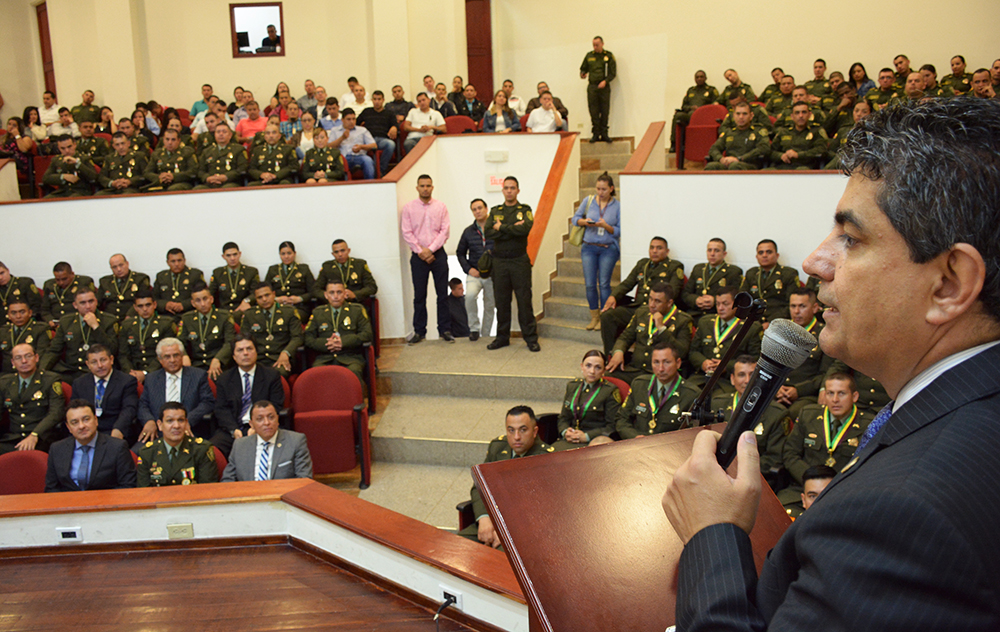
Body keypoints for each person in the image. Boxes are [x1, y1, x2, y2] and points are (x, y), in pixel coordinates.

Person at [665, 98, 1000, 630]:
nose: (816, 260)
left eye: (851, 237)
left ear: (949, 283)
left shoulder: (903, 515)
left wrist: (713, 537)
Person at [458, 406, 554, 547]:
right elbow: (480, 486)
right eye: (511, 430)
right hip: (492, 521)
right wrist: (484, 518)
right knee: (455, 548)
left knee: (499, 563)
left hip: (523, 532)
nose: (516, 437)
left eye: (523, 430)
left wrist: (506, 532)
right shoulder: (498, 448)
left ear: (534, 432)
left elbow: (540, 509)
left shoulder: (547, 459)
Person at [778, 372, 871, 516]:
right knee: (779, 518)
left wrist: (832, 485)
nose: (835, 400)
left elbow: (868, 468)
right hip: (803, 489)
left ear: (855, 396)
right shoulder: (808, 415)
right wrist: (811, 481)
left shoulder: (868, 425)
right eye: (830, 393)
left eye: (841, 393)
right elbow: (790, 454)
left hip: (844, 493)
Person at [712, 354, 791, 492]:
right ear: (732, 379)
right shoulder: (717, 404)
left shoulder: (777, 413)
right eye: (741, 375)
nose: (747, 380)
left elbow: (774, 459)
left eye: (752, 375)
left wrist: (736, 470)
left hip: (754, 480)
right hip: (715, 473)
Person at [599, 236, 685, 355]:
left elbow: (673, 293)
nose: (654, 251)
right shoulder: (642, 264)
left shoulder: (674, 267)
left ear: (667, 251)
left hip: (657, 310)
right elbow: (627, 283)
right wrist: (613, 296)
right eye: (652, 248)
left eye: (659, 248)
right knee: (607, 316)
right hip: (637, 308)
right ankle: (611, 354)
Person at [485, 176, 539, 351]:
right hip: (499, 261)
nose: (509, 191)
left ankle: (530, 338)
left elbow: (525, 230)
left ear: (518, 190)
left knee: (524, 301)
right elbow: (488, 233)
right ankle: (502, 338)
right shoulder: (495, 211)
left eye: (512, 188)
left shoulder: (525, 210)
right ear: (502, 190)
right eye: (506, 188)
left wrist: (501, 228)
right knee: (501, 302)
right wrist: (512, 229)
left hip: (519, 261)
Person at [212, 334, 285, 455]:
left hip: (264, 425)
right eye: (240, 350)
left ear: (256, 352)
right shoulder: (224, 379)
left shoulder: (271, 376)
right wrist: (233, 430)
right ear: (234, 356)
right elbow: (221, 409)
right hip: (235, 427)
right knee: (214, 449)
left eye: (249, 349)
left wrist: (257, 426)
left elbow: (276, 405)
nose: (245, 353)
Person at [606, 282, 694, 383]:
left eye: (657, 301)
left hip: (659, 374)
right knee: (605, 379)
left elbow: (682, 352)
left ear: (669, 303)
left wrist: (662, 329)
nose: (652, 305)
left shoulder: (683, 320)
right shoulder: (642, 313)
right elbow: (625, 338)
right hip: (635, 369)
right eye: (650, 299)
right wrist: (618, 352)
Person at [400, 175, 452, 344]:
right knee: (419, 295)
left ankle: (444, 330)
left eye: (428, 185)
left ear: (432, 187)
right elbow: (407, 232)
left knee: (442, 294)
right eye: (422, 186)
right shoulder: (409, 208)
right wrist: (421, 251)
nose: (425, 188)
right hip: (418, 256)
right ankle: (419, 332)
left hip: (438, 254)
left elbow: (445, 231)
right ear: (417, 188)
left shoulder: (441, 206)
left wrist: (430, 250)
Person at [44, 399, 136, 492]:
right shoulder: (57, 449)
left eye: (86, 419)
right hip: (68, 504)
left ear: (96, 420)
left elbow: (128, 486)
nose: (81, 426)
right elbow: (51, 489)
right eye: (75, 422)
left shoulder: (117, 447)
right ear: (68, 428)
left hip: (105, 503)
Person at [616, 342, 699, 439]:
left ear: (678, 363)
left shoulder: (691, 394)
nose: (661, 368)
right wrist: (634, 436)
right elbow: (621, 419)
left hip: (668, 449)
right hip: (637, 446)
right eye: (656, 362)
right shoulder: (639, 384)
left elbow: (692, 433)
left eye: (666, 362)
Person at [687, 286, 763, 390]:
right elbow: (693, 352)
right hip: (701, 378)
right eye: (718, 304)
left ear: (737, 304)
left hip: (728, 381)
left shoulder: (750, 327)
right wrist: (703, 363)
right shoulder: (705, 322)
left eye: (725, 304)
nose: (720, 308)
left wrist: (726, 366)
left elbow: (755, 359)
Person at [137, 338, 215, 439]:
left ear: (182, 356)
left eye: (176, 355)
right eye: (167, 357)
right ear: (160, 360)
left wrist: (186, 421)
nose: (172, 360)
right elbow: (143, 404)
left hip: (190, 432)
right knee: (135, 453)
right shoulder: (151, 379)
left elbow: (208, 402)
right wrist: (149, 420)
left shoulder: (198, 376)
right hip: (158, 433)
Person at [774, 287, 831, 421]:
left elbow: (825, 375)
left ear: (815, 308)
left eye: (802, 306)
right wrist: (776, 388)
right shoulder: (781, 332)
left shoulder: (824, 335)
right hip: (777, 391)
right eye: (793, 306)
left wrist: (798, 390)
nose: (796, 311)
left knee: (794, 413)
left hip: (806, 394)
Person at [572, 172, 620, 329]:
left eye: (604, 189)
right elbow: (575, 219)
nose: (600, 192)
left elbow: (619, 230)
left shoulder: (617, 205)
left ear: (611, 189)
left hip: (608, 248)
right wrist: (585, 222)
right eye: (598, 189)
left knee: (604, 283)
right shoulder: (589, 201)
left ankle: (605, 317)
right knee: (590, 285)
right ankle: (594, 317)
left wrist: (605, 226)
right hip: (588, 247)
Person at [40, 288, 118, 383]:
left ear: (96, 302)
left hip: (98, 370)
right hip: (71, 371)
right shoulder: (66, 321)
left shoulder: (109, 320)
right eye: (83, 303)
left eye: (91, 301)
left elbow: (112, 350)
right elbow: (54, 350)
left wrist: (96, 327)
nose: (88, 306)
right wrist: (41, 371)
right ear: (75, 305)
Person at [304, 279, 373, 386]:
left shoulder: (357, 310)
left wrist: (343, 342)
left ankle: (356, 403)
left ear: (345, 294)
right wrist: (327, 344)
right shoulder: (318, 312)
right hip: (325, 358)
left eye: (339, 292)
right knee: (316, 373)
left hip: (350, 358)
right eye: (331, 293)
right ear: (326, 295)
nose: (335, 296)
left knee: (354, 372)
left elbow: (367, 334)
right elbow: (308, 338)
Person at [222, 401, 312, 481]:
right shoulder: (240, 445)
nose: (266, 423)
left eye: (271, 417)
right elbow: (227, 481)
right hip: (249, 496)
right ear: (251, 424)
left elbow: (304, 479)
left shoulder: (295, 441)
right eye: (259, 419)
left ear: (277, 419)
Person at [0, 343, 64, 454]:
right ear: (13, 362)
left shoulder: (50, 379)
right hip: (13, 438)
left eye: (28, 356)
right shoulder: (5, 382)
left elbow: (56, 412)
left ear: (37, 358)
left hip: (41, 438)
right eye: (18, 358)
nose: (24, 361)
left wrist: (35, 434)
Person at [137, 402, 218, 486]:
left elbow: (208, 490)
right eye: (170, 421)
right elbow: (143, 493)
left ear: (186, 423)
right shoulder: (147, 453)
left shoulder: (201, 450)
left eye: (181, 420)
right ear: (160, 425)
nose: (176, 426)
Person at [554, 350, 621, 450]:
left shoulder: (610, 391)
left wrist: (586, 436)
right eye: (588, 366)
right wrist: (565, 432)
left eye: (598, 367)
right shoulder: (572, 386)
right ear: (582, 366)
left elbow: (612, 426)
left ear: (603, 371)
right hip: (569, 439)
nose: (592, 371)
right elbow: (563, 417)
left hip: (593, 442)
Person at [70, 344, 139, 441]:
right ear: (88, 364)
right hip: (87, 431)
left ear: (111, 359)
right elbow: (74, 410)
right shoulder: (79, 383)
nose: (100, 365)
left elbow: (129, 409)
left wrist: (118, 429)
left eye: (103, 360)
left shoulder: (126, 381)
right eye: (94, 362)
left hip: (114, 430)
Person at [241, 282, 303, 378]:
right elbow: (244, 340)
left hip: (280, 357)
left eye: (267, 295)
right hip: (258, 359)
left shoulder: (288, 312)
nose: (264, 299)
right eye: (260, 297)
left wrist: (286, 352)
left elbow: (297, 337)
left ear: (274, 294)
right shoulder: (250, 315)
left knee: (276, 375)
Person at [177, 282, 236, 381]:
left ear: (211, 299)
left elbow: (230, 342)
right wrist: (184, 355)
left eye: (205, 299)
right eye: (198, 301)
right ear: (193, 303)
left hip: (219, 365)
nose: (203, 304)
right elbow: (180, 342)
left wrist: (218, 359)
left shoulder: (224, 316)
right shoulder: (187, 318)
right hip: (196, 365)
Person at [456, 198, 495, 342]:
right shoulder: (468, 232)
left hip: (492, 274)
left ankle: (486, 334)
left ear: (486, 209)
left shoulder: (495, 229)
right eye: (474, 209)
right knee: (470, 297)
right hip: (475, 273)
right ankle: (474, 328)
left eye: (480, 208)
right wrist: (468, 269)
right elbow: (460, 253)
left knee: (490, 305)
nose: (477, 211)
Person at [118, 289, 176, 382]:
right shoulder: (127, 325)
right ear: (135, 308)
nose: (144, 309)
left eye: (148, 305)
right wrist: (131, 373)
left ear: (155, 305)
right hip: (133, 374)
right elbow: (123, 354)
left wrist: (146, 373)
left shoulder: (166, 324)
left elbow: (165, 354)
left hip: (158, 372)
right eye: (140, 306)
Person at [740, 239, 801, 324]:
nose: (764, 255)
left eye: (769, 252)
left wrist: (771, 322)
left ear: (777, 255)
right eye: (761, 253)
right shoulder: (751, 273)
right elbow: (743, 300)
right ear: (756, 256)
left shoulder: (788, 274)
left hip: (779, 321)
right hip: (753, 321)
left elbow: (791, 304)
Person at [682, 238, 743, 319]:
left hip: (716, 315)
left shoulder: (733, 272)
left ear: (724, 254)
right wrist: (695, 300)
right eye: (709, 250)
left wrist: (714, 301)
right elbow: (685, 294)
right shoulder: (698, 269)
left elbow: (736, 298)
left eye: (717, 251)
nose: (712, 254)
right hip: (694, 314)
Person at [704, 102, 769, 171]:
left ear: (751, 116)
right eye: (738, 114)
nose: (741, 117)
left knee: (735, 166)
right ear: (734, 116)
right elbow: (713, 149)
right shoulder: (729, 132)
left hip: (749, 165)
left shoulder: (758, 131)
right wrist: (721, 159)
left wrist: (740, 159)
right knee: (711, 166)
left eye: (744, 114)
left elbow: (764, 148)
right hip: (729, 164)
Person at [313, 239, 378, 305]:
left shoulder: (360, 265)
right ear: (333, 254)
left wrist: (355, 294)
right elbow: (316, 289)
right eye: (336, 252)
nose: (340, 254)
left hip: (355, 305)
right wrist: (329, 296)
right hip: (333, 306)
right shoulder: (327, 267)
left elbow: (372, 287)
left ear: (348, 250)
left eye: (343, 250)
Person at [207, 242, 259, 322]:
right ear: (223, 256)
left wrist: (246, 300)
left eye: (235, 254)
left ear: (240, 254)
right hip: (223, 315)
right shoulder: (218, 273)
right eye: (228, 255)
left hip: (243, 312)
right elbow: (210, 294)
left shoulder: (251, 272)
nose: (232, 258)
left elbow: (256, 292)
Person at [670, 70, 720, 152]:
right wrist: (690, 107)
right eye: (697, 77)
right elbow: (684, 106)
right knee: (678, 116)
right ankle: (674, 143)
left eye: (701, 77)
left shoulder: (711, 90)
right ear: (694, 79)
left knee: (692, 114)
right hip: (690, 113)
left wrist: (701, 109)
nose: (699, 79)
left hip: (704, 116)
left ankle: (691, 143)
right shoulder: (691, 90)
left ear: (705, 78)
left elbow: (715, 105)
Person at [266, 241, 315, 322]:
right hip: (278, 306)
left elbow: (313, 291)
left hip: (299, 307)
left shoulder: (303, 269)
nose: (286, 256)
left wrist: (300, 298)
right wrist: (276, 299)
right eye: (283, 254)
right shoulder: (273, 270)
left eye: (289, 253)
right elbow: (265, 291)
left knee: (292, 317)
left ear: (294, 253)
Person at [770, 103, 827, 170]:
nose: (801, 116)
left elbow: (822, 150)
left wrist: (798, 155)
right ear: (792, 116)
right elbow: (770, 151)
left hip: (805, 167)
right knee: (766, 172)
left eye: (804, 112)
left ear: (809, 115)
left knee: (801, 171)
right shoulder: (784, 131)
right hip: (783, 166)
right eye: (797, 113)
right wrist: (780, 156)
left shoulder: (816, 130)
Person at [580, 36, 616, 142]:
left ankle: (604, 133)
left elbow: (613, 73)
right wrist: (582, 74)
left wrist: (605, 81)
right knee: (593, 111)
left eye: (597, 45)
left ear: (602, 44)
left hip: (604, 87)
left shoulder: (608, 56)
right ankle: (595, 133)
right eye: (593, 45)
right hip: (592, 87)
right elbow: (583, 69)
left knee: (604, 110)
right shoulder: (589, 56)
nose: (595, 47)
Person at [0, 298, 49, 374]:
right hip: (6, 374)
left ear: (30, 313)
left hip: (31, 372)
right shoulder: (3, 331)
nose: (18, 316)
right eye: (13, 313)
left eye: (22, 312)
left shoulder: (40, 329)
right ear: (8, 315)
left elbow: (42, 355)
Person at [153, 248, 206, 317]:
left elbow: (202, 296)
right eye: (173, 261)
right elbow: (154, 298)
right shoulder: (161, 276)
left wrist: (183, 305)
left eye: (179, 260)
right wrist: (165, 305)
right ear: (168, 262)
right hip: (166, 316)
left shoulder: (195, 274)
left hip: (189, 315)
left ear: (184, 261)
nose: (176, 264)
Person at [40, 262, 95, 329]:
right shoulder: (49, 285)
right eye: (57, 280)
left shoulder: (83, 283)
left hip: (76, 323)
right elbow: (44, 309)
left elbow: (91, 305)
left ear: (72, 274)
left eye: (64, 279)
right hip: (54, 324)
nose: (61, 282)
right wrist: (49, 320)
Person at [357, 90, 398, 176]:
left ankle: (380, 170)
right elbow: (356, 123)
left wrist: (394, 127)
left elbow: (395, 125)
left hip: (382, 139)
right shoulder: (366, 111)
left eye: (379, 99)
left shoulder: (389, 113)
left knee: (391, 144)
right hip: (367, 140)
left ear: (383, 100)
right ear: (372, 100)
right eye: (375, 99)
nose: (377, 102)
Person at [195, 124, 247, 189]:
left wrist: (226, 177)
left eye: (224, 132)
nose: (221, 134)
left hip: (230, 182)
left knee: (226, 189)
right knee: (198, 189)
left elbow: (242, 169)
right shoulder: (207, 151)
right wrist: (208, 178)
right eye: (218, 132)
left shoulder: (238, 149)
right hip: (210, 183)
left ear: (230, 135)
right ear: (215, 135)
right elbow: (200, 170)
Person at [337, 108, 377, 179]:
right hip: (344, 157)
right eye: (348, 119)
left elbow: (374, 145)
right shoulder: (335, 130)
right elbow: (329, 146)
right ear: (342, 120)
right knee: (339, 163)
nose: (352, 122)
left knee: (368, 160)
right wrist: (342, 138)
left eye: (353, 119)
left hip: (360, 156)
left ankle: (370, 184)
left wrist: (361, 147)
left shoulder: (362, 130)